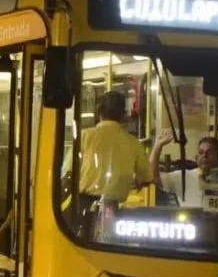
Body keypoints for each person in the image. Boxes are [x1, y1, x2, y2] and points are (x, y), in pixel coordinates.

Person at [62, 91, 151, 236]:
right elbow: (147, 178)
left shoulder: (85, 137)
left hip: (83, 207)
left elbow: (67, 175)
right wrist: (133, 181)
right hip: (115, 210)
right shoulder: (134, 143)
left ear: (99, 112)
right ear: (123, 115)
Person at [150, 130, 218, 208]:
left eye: (210, 152)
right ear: (196, 157)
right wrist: (157, 146)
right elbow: (152, 177)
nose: (204, 156)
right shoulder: (182, 177)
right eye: (201, 152)